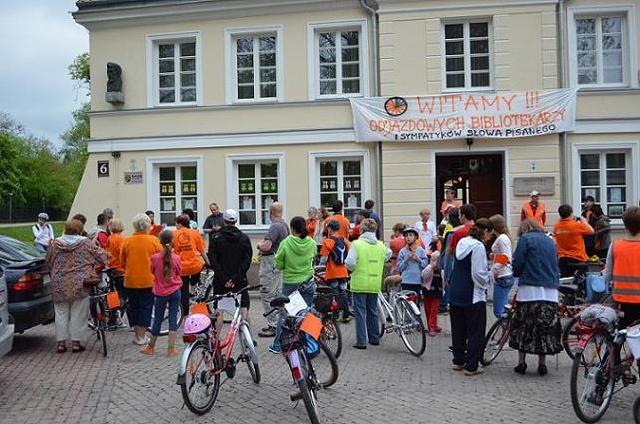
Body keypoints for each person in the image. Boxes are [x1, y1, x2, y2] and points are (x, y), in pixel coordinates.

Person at [510, 219, 563, 376]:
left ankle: (522, 362)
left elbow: (518, 262)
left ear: (524, 229)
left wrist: (516, 273)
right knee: (545, 327)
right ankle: (542, 363)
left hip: (529, 290)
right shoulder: (549, 240)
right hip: (550, 291)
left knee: (524, 326)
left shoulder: (525, 239)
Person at [47, 219, 107, 353]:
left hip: (59, 282)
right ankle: (76, 342)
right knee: (78, 313)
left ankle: (61, 343)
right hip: (79, 283)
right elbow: (101, 256)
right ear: (79, 229)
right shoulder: (85, 243)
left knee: (60, 313)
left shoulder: (56, 243)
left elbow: (49, 260)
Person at [449, 218, 493, 376]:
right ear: (485, 231)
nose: (489, 238)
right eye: (490, 234)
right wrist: (490, 276)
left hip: (456, 291)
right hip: (472, 295)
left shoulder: (462, 242)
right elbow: (478, 273)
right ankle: (472, 366)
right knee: (475, 332)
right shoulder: (478, 246)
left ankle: (458, 360)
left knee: (458, 329)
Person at [269, 216, 317, 353]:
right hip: (308, 282)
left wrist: (281, 266)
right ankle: (307, 343)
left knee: (285, 314)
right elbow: (313, 256)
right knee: (306, 313)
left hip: (291, 283)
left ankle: (278, 346)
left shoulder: (286, 242)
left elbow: (279, 263)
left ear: (292, 228)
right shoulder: (311, 243)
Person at [345, 218, 391, 349]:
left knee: (360, 313)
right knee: (373, 311)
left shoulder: (357, 244)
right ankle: (374, 338)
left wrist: (352, 270)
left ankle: (361, 341)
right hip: (375, 282)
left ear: (362, 230)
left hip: (359, 282)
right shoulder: (381, 245)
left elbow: (349, 262)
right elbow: (388, 254)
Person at [120, 213, 162, 345]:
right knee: (146, 307)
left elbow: (122, 262)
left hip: (131, 279)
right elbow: (160, 260)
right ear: (148, 225)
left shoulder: (126, 241)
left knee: (133, 307)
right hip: (148, 280)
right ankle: (141, 336)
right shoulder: (153, 241)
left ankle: (137, 335)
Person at [141, 230, 182, 357]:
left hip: (160, 292)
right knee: (173, 319)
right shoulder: (176, 258)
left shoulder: (155, 258)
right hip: (175, 291)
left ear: (160, 242)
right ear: (172, 241)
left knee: (158, 319)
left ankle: (151, 347)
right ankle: (171, 349)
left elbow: (152, 271)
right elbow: (179, 271)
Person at [209, 209, 253, 325]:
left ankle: (217, 340)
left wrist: (224, 279)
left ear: (224, 221)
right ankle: (248, 339)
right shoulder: (244, 238)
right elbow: (247, 261)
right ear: (236, 221)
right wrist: (235, 278)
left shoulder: (215, 238)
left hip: (220, 281)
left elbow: (213, 261)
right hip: (240, 280)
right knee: (244, 309)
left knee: (219, 311)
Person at [257, 202, 290, 337]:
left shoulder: (275, 227)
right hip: (278, 263)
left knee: (267, 293)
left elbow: (266, 246)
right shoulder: (284, 225)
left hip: (270, 262)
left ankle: (273, 324)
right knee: (277, 293)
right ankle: (280, 322)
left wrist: (259, 245)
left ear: (270, 213)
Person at [604, 206, 640, 329]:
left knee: (621, 334)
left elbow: (607, 276)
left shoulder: (615, 246)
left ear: (625, 225)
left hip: (622, 301)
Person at [173, 215, 209, 316]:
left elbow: (168, 250)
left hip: (181, 267)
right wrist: (208, 262)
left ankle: (184, 312)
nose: (175, 226)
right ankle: (193, 290)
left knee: (183, 290)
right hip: (194, 266)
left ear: (180, 224)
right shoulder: (195, 233)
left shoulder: (174, 234)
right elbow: (202, 251)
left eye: (176, 224)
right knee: (198, 269)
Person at [319, 220, 351, 322]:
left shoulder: (328, 241)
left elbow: (323, 257)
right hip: (343, 271)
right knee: (343, 292)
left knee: (334, 293)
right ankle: (346, 315)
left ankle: (336, 315)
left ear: (329, 229)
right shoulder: (344, 240)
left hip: (332, 272)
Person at [553, 204, 594, 277]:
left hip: (563, 259)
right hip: (577, 258)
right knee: (581, 282)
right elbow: (591, 231)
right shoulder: (576, 225)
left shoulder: (557, 226)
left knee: (565, 284)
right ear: (571, 213)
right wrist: (584, 222)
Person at [489, 214, 515, 319]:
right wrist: (493, 256)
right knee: (502, 309)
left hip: (503, 276)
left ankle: (508, 331)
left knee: (499, 311)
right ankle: (507, 332)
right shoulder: (503, 238)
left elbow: (506, 257)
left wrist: (495, 269)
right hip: (504, 275)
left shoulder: (502, 238)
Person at [106, 218, 126, 327]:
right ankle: (119, 316)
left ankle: (113, 317)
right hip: (121, 269)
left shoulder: (110, 238)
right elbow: (124, 254)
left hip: (112, 267)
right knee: (123, 295)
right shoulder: (120, 239)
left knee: (113, 294)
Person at [397, 227, 428, 295]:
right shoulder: (402, 251)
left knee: (416, 303)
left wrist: (418, 259)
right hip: (405, 281)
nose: (408, 237)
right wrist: (406, 259)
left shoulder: (421, 250)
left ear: (415, 237)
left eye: (410, 235)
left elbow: (425, 265)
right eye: (406, 235)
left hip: (417, 281)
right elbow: (399, 267)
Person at [422, 251, 443, 336]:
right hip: (428, 291)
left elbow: (444, 280)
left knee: (434, 310)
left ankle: (432, 326)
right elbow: (424, 277)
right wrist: (431, 268)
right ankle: (431, 325)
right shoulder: (428, 268)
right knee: (428, 309)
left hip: (437, 292)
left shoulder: (442, 270)